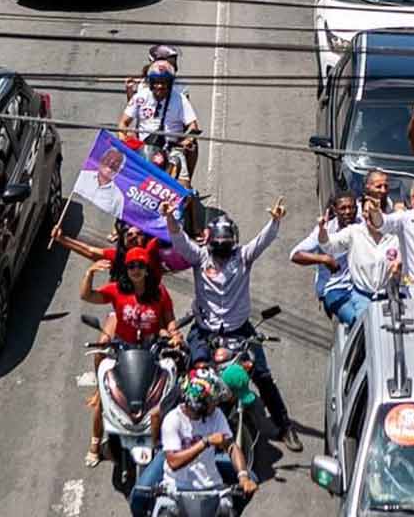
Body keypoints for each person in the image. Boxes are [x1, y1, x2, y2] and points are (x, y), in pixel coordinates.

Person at [167, 200, 301, 450]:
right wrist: (170, 219)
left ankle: (284, 426)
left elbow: (263, 241)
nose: (222, 251)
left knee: (262, 375)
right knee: (193, 373)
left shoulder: (243, 257)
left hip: (240, 331)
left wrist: (275, 221)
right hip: (204, 331)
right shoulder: (199, 257)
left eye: (226, 246)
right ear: (209, 243)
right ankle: (178, 427)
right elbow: (179, 240)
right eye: (218, 246)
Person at [138, 370, 257, 517]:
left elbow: (231, 446)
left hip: (212, 488)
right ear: (199, 404)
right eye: (212, 402)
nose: (216, 406)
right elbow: (172, 461)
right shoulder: (173, 420)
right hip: (175, 489)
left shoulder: (216, 418)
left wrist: (243, 476)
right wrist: (204, 443)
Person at [80, 245, 183, 467]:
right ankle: (96, 443)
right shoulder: (117, 290)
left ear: (147, 269)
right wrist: (89, 274)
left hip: (152, 351)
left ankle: (170, 438)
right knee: (106, 397)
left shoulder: (160, 292)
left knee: (168, 392)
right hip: (123, 352)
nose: (135, 270)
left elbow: (169, 318)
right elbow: (87, 295)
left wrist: (174, 334)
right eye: (131, 266)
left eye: (140, 266)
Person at [295, 192, 402, 328]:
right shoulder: (353, 232)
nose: (370, 215)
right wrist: (323, 246)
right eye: (367, 212)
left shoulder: (394, 235)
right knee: (363, 326)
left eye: (374, 212)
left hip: (385, 294)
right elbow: (327, 245)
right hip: (347, 292)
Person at [123, 64, 202, 181]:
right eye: (156, 82)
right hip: (143, 148)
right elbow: (123, 123)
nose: (159, 86)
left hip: (171, 150)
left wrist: (187, 141)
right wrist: (124, 137)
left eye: (163, 83)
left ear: (169, 84)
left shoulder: (180, 100)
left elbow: (193, 125)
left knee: (182, 187)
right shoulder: (140, 97)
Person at [290, 192, 357, 320]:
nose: (348, 212)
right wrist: (324, 259)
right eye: (343, 208)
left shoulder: (361, 226)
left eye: (351, 207)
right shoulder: (324, 230)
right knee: (356, 320)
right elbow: (295, 254)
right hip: (335, 290)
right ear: (335, 210)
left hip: (359, 287)